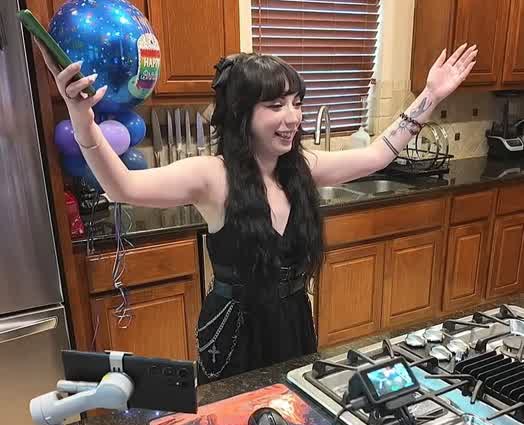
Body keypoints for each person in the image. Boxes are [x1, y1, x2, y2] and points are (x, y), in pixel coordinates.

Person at [36, 41, 477, 383]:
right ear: (241, 113)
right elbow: (122, 186)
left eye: (297, 103)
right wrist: (81, 117)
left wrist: (430, 95)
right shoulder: (212, 176)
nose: (293, 117)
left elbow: (377, 156)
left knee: (295, 417)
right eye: (275, 105)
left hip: (294, 321)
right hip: (234, 333)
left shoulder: (302, 169)